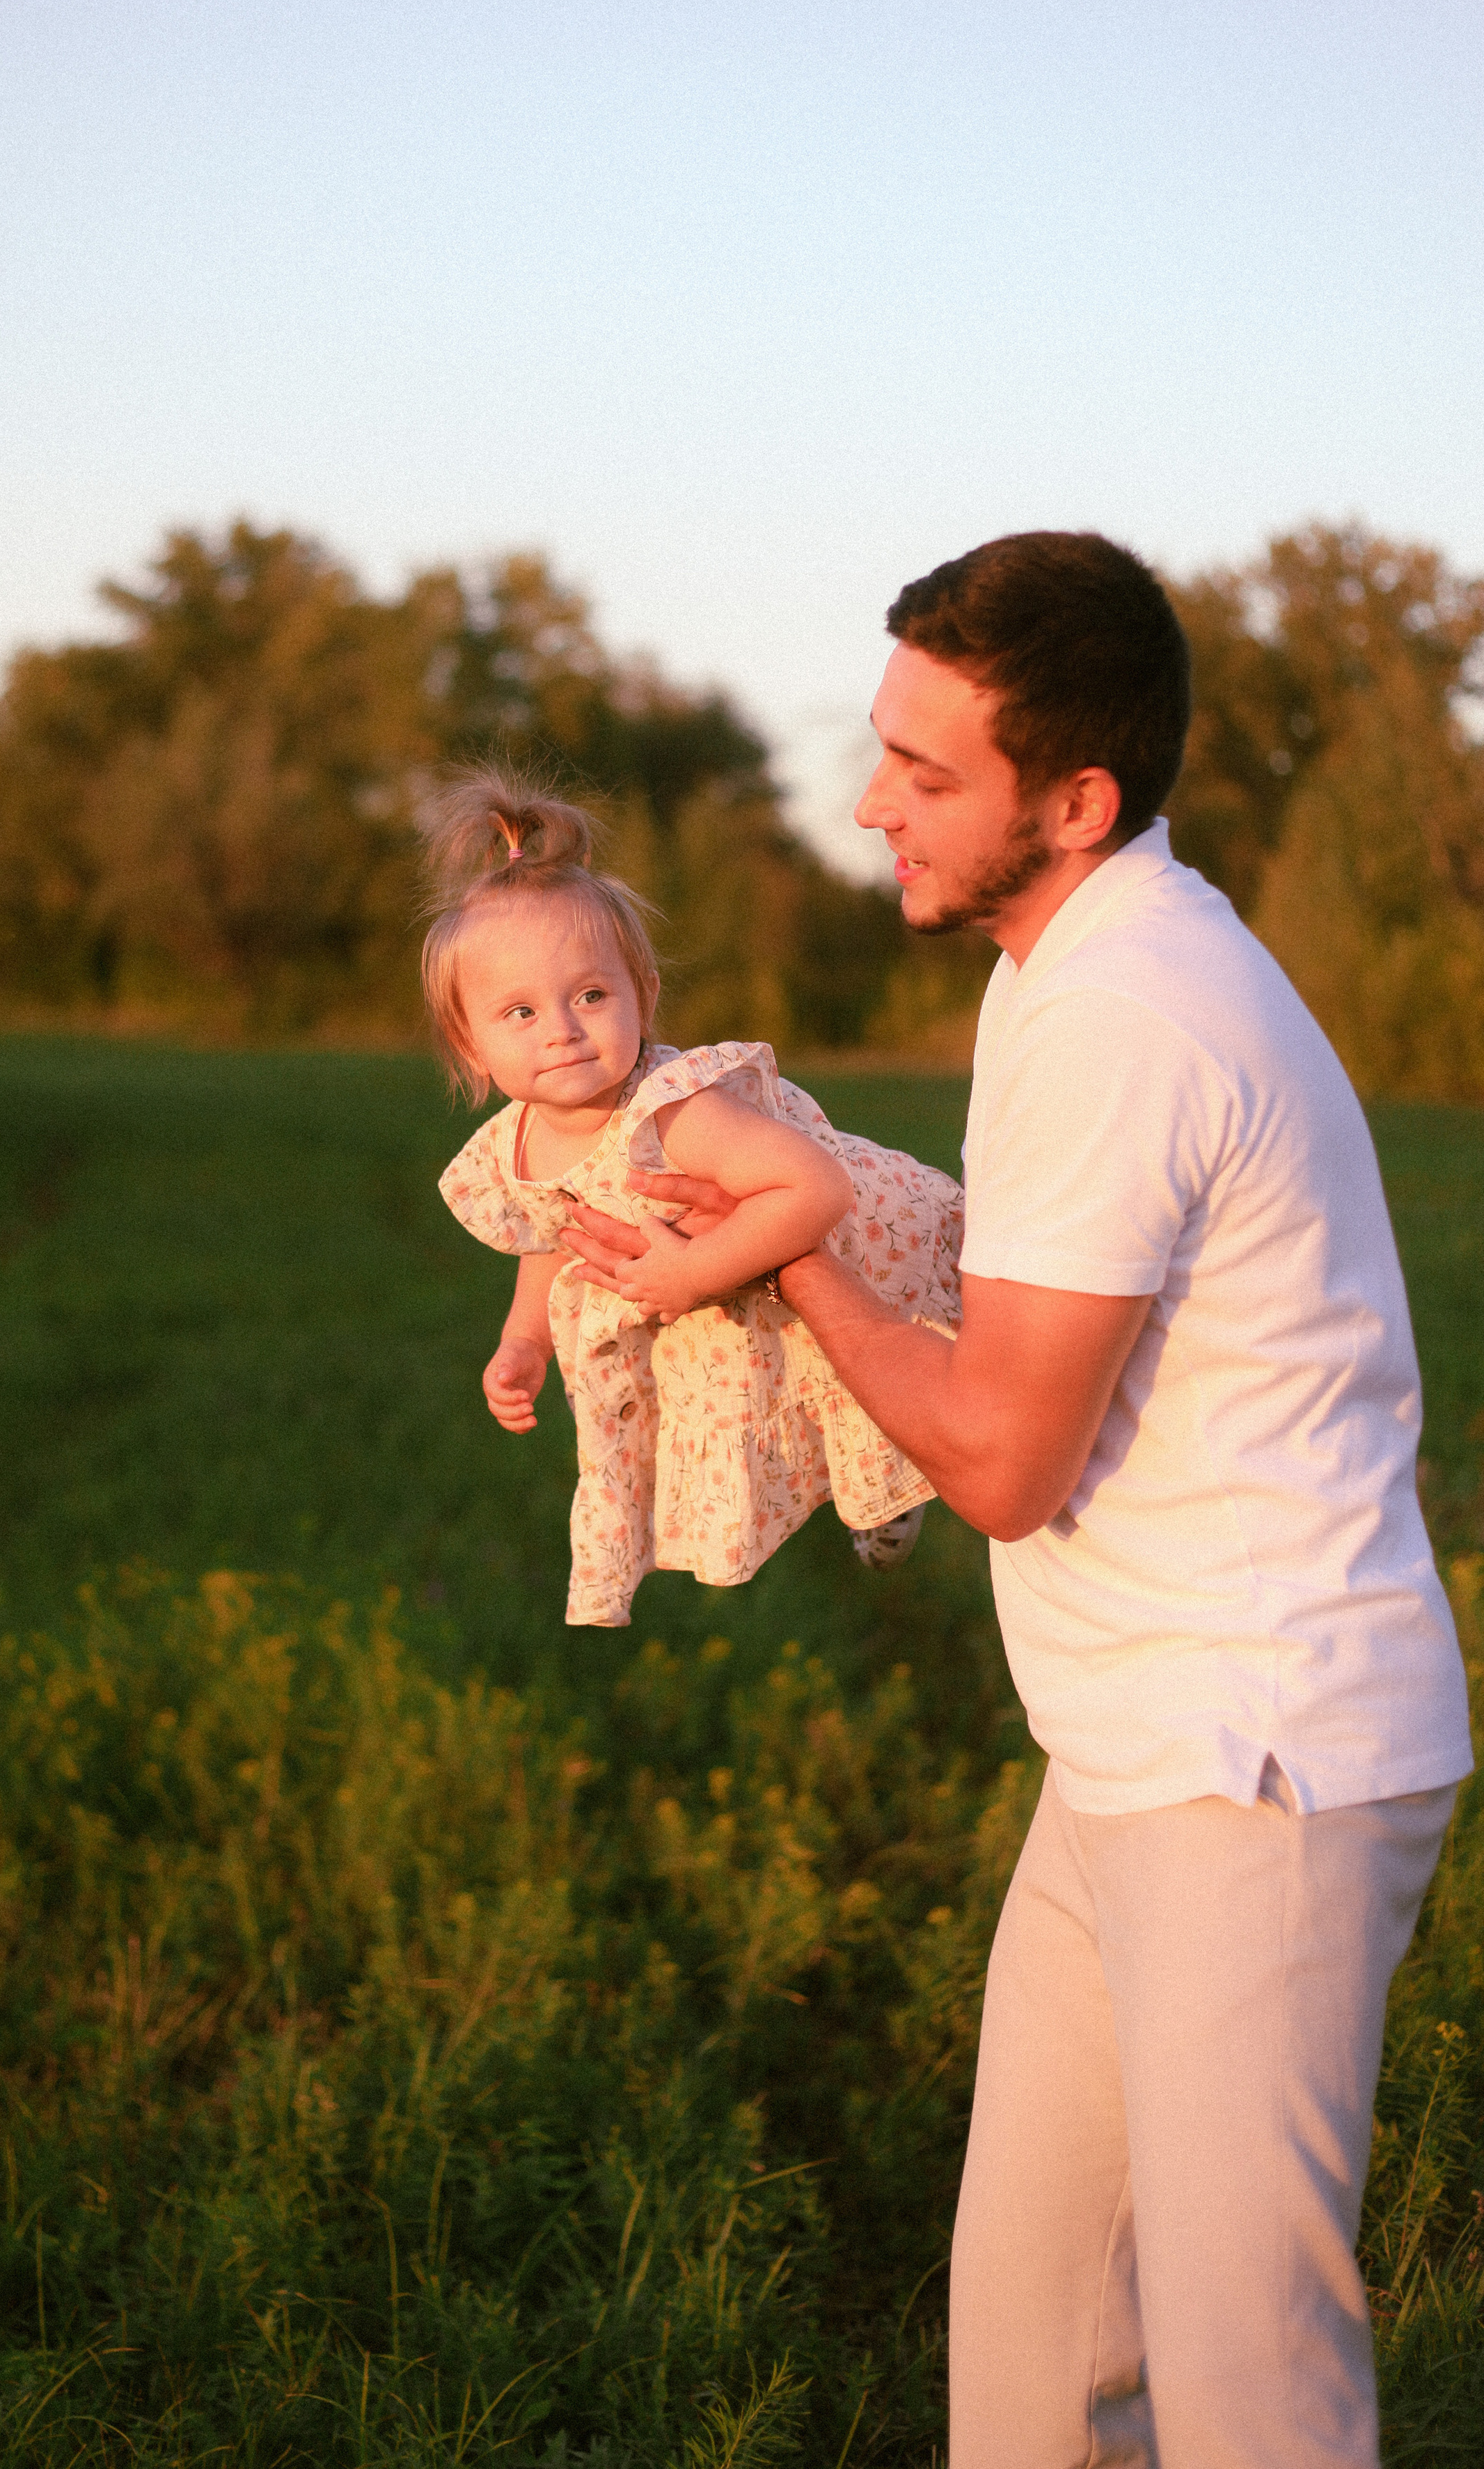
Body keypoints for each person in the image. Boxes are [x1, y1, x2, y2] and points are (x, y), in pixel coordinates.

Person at [561, 532, 1474, 2468]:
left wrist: (786, 1250)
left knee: (1250, 2391)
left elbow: (997, 1458)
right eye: (878, 744)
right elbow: (1025, 1301)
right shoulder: (1066, 969)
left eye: (926, 771)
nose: (871, 798)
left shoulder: (1130, 1012)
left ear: (1073, 801)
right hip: (1130, 1743)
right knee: (1044, 2371)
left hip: (1260, 1764)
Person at [423, 765, 962, 1627]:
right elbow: (549, 1231)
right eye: (520, 1013)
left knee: (872, 1382)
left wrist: (694, 1275)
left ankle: (899, 1484)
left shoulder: (671, 1115)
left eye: (591, 996)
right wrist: (524, 1342)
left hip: (863, 1248)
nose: (562, 1029)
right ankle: (881, 1483)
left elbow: (816, 1191)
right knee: (785, 1399)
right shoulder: (517, 1140)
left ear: (643, 997)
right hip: (724, 1288)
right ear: (471, 1041)